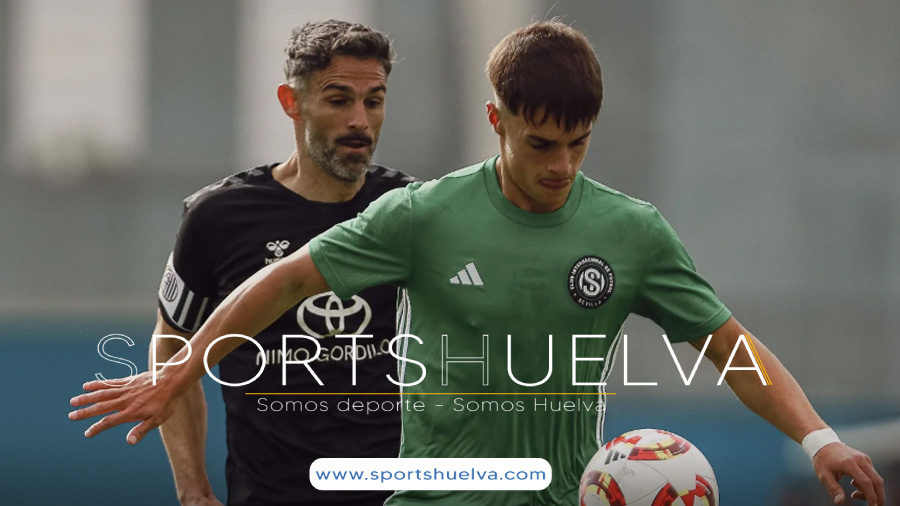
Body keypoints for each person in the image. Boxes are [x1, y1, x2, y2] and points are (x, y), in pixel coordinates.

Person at [70, 21, 885, 506]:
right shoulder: (422, 214)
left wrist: (817, 438)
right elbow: (284, 281)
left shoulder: (632, 232)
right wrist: (178, 378)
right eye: (541, 143)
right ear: (497, 119)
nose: (561, 166)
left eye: (578, 144)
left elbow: (730, 346)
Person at [147, 20, 413, 506]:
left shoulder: (409, 210)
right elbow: (172, 343)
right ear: (291, 102)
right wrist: (192, 491)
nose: (360, 120)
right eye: (339, 100)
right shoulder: (218, 217)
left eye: (373, 101)